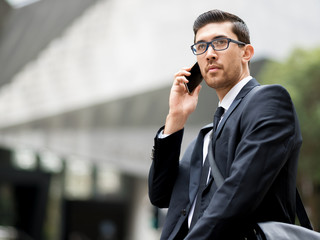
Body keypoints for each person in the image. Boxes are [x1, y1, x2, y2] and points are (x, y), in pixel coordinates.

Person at [148, 9, 302, 240]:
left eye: (220, 42)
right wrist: (175, 118)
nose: (209, 54)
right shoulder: (205, 139)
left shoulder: (269, 100)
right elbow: (160, 195)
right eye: (201, 46)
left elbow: (239, 194)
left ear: (246, 52)